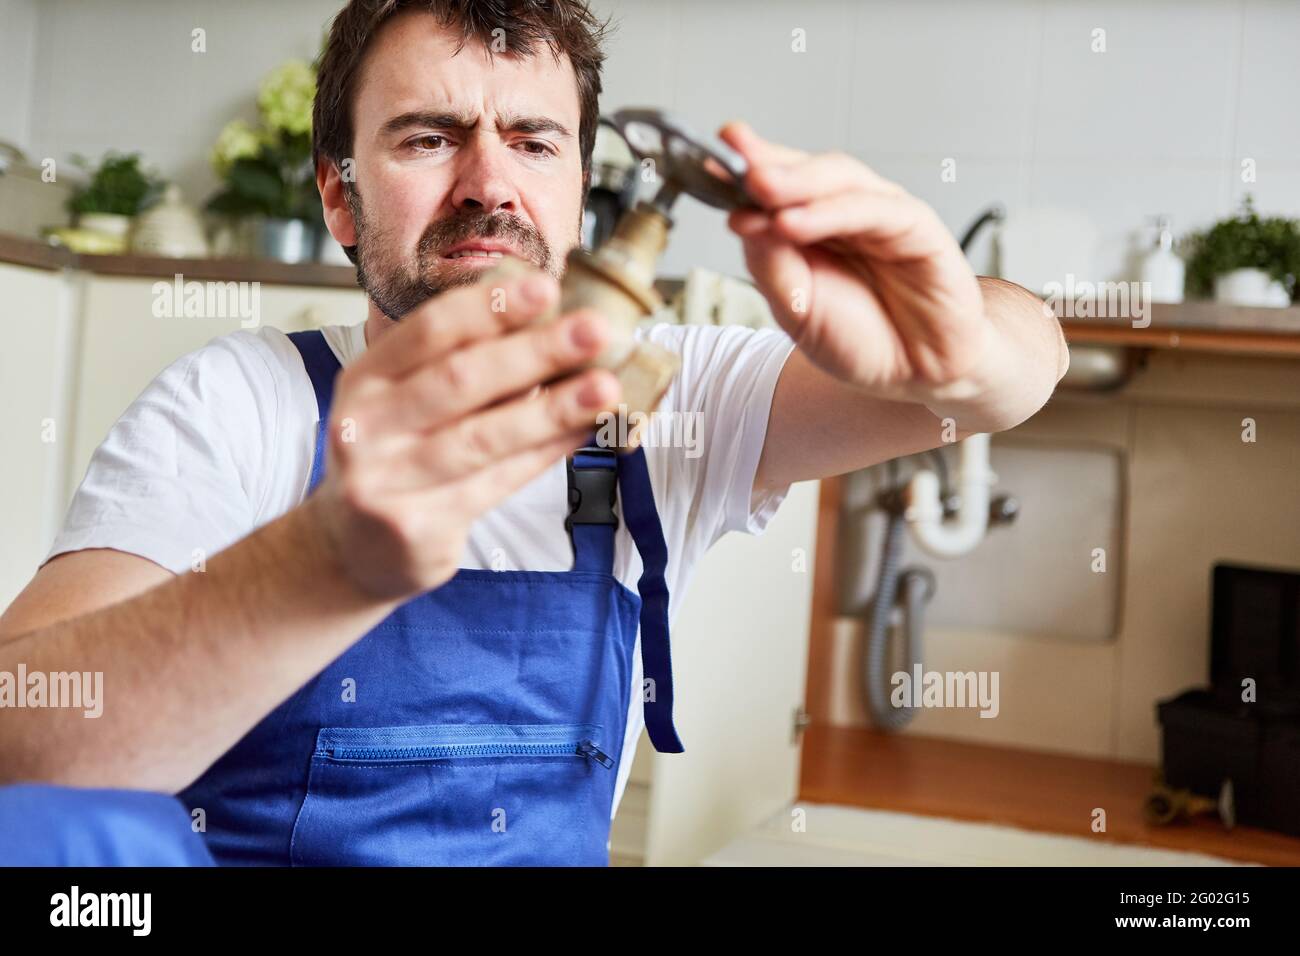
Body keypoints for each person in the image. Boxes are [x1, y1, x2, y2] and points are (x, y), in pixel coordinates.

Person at [0, 0, 1067, 866]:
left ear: (576, 194)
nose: (489, 183)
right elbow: (22, 745)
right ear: (339, 195)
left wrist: (956, 348)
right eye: (429, 136)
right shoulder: (238, 401)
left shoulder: (668, 394)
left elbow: (1024, 369)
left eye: (533, 141)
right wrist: (321, 564)